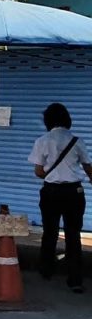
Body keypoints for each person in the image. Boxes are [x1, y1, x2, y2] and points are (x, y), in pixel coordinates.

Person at [29, 103, 92, 293]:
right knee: (73, 235)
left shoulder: (42, 141)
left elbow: (39, 171)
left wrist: (51, 174)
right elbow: (88, 168)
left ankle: (46, 270)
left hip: (51, 193)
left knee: (50, 232)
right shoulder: (77, 141)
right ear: (67, 119)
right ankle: (75, 279)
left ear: (47, 120)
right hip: (74, 193)